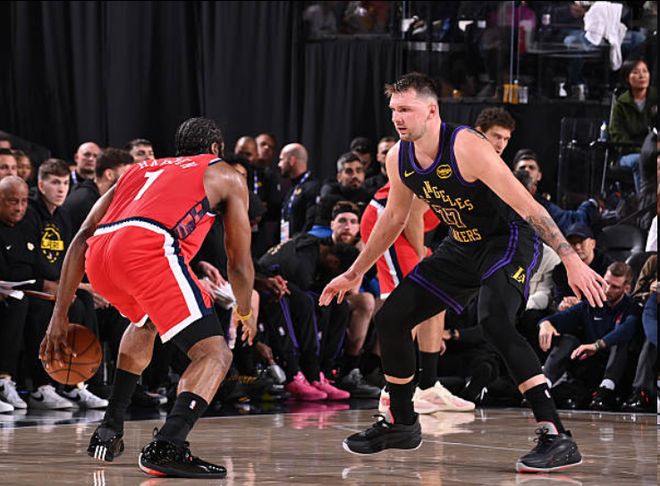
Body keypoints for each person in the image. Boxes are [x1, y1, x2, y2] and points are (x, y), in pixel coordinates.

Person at [320, 72, 606, 472]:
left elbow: (528, 207)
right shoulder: (399, 156)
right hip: (462, 244)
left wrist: (571, 259)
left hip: (507, 239)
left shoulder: (466, 146)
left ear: (431, 111)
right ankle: (402, 422)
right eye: (393, 110)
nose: (397, 118)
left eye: (406, 109)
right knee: (392, 319)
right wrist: (355, 272)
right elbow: (395, 218)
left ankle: (556, 434)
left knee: (494, 320)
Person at [39, 117, 256, 479]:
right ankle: (168, 445)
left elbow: (82, 235)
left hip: (102, 253)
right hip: (150, 248)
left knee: (145, 321)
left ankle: (110, 426)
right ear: (216, 149)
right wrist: (245, 311)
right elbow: (239, 262)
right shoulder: (226, 173)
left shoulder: (140, 169)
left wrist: (59, 314)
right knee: (215, 354)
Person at [539, 262, 641, 411]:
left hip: (617, 368)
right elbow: (559, 318)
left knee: (619, 342)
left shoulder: (633, 307)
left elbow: (627, 329)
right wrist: (545, 324)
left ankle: (606, 391)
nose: (607, 290)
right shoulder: (592, 303)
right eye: (605, 283)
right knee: (568, 340)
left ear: (627, 289)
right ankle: (542, 387)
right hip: (588, 365)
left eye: (615, 287)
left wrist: (597, 345)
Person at [609, 59, 657, 192]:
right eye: (636, 72)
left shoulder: (656, 98)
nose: (642, 76)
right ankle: (644, 201)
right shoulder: (621, 105)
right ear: (627, 78)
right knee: (640, 160)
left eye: (645, 71)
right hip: (629, 153)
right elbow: (618, 137)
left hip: (655, 150)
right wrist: (644, 151)